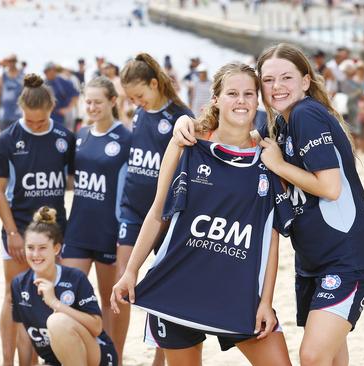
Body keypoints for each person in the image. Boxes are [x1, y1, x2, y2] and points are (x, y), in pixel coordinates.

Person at [174, 43, 364, 366]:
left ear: (306, 81)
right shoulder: (282, 126)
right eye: (268, 81)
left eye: (286, 77)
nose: (277, 87)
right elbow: (231, 125)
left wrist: (279, 166)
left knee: (312, 356)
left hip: (346, 259)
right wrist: (185, 124)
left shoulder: (305, 114)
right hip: (314, 261)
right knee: (331, 358)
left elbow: (330, 187)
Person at [112, 62, 292, 366]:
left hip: (237, 292)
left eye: (249, 94)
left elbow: (269, 237)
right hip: (179, 284)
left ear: (257, 100)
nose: (241, 101)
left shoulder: (268, 157)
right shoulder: (187, 144)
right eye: (232, 93)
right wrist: (131, 271)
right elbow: (158, 212)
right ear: (216, 100)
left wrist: (266, 302)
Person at [113, 53, 194, 365]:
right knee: (123, 281)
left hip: (166, 215)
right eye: (131, 98)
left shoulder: (180, 117)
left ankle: (160, 360)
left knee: (164, 288)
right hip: (132, 211)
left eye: (139, 95)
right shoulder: (139, 114)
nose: (136, 102)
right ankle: (116, 357)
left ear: (154, 83)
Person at [0, 73, 75, 365]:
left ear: (51, 109)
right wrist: (12, 232)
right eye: (30, 120)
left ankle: (51, 356)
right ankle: (7, 360)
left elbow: (77, 181)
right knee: (13, 296)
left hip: (55, 232)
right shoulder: (8, 138)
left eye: (41, 121)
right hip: (18, 230)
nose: (35, 126)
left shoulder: (64, 138)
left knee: (51, 296)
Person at [62, 76, 131, 343]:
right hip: (77, 230)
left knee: (111, 300)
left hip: (109, 232)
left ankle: (115, 357)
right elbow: (69, 180)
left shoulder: (127, 138)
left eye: (97, 102)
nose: (91, 107)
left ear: (113, 101)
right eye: (87, 101)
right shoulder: (80, 135)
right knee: (68, 296)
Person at [11, 206, 118, 366]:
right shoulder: (19, 284)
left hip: (97, 357)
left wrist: (55, 303)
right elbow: (23, 337)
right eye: (30, 248)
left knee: (57, 322)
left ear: (56, 248)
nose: (35, 255)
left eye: (42, 248)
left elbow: (96, 327)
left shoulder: (75, 278)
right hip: (55, 361)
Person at [0, 54, 24, 131]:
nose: (11, 63)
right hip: (4, 115)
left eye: (13, 61)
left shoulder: (22, 76)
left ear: (16, 62)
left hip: (19, 115)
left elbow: (27, 95)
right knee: (5, 139)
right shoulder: (1, 77)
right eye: (9, 61)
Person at [44, 62, 79, 129]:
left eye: (49, 71)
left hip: (62, 117)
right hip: (48, 117)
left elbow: (75, 95)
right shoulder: (44, 83)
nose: (47, 73)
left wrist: (68, 109)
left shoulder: (62, 82)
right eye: (45, 71)